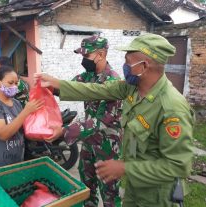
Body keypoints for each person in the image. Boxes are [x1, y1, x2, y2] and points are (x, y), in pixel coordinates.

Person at [36, 33, 194, 207]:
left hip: (157, 196)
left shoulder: (171, 108)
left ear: (143, 66)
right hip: (135, 186)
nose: (124, 66)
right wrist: (57, 84)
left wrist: (124, 168)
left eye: (127, 61)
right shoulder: (132, 88)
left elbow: (179, 166)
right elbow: (95, 90)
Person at [57, 34, 122, 207]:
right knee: (86, 189)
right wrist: (46, 87)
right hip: (88, 144)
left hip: (107, 148)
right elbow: (67, 87)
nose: (83, 60)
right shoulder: (87, 77)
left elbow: (101, 121)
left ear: (100, 54)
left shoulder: (113, 83)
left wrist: (65, 131)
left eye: (86, 55)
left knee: (109, 194)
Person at [0, 66, 43, 170]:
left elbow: (24, 131)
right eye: (10, 83)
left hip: (16, 162)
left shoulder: (16, 103)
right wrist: (26, 111)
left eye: (16, 83)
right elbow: (3, 134)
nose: (14, 86)